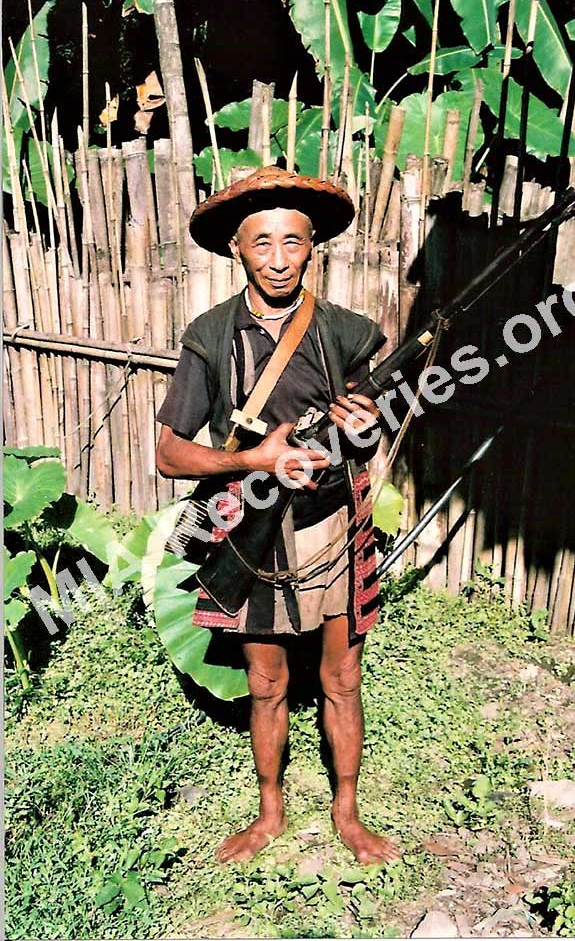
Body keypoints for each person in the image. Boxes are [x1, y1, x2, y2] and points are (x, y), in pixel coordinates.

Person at [155, 166, 400, 865]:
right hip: (250, 528)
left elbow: (364, 424)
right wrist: (256, 459)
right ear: (237, 248)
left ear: (313, 247)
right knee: (267, 684)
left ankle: (347, 812)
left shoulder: (345, 332)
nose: (278, 258)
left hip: (332, 524)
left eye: (293, 242)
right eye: (261, 243)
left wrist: (364, 421)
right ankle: (270, 813)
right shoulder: (210, 336)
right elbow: (171, 453)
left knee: (341, 680)